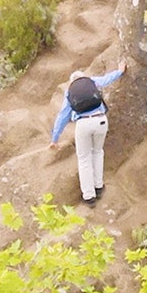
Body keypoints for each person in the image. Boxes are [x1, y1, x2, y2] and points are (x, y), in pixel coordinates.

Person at [49, 65, 126, 204]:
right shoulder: (92, 81)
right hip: (101, 120)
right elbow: (107, 79)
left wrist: (55, 138)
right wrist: (120, 71)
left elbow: (63, 117)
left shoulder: (70, 92)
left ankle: (89, 196)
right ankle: (99, 186)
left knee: (84, 158)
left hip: (83, 124)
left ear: (72, 82)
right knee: (97, 152)